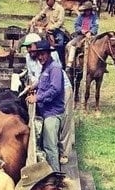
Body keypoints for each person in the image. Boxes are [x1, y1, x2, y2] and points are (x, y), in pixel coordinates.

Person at [21, 32, 75, 165]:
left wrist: (38, 97)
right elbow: (41, 77)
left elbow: (55, 87)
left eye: (31, 47)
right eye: (28, 48)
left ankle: (64, 152)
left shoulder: (54, 63)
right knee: (50, 136)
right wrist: (33, 86)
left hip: (63, 89)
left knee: (66, 121)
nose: (29, 51)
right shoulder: (33, 59)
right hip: (47, 94)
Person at [65, 1, 99, 71]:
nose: (87, 12)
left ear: (91, 10)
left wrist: (91, 32)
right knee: (69, 45)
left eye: (88, 10)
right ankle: (69, 63)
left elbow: (96, 26)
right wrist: (82, 31)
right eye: (86, 10)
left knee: (100, 47)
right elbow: (76, 25)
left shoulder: (94, 17)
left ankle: (100, 65)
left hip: (91, 36)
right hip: (81, 35)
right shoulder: (80, 17)